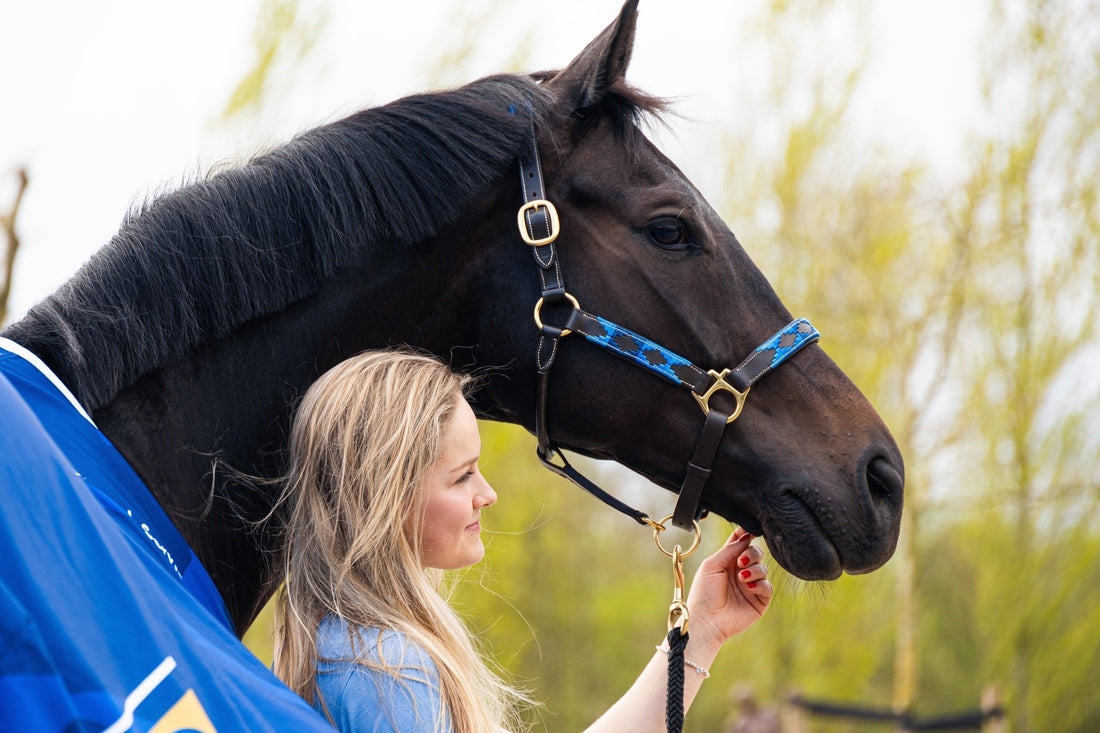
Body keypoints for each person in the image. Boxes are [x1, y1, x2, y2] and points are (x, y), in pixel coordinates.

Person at [271, 349, 773, 733]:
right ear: (383, 495)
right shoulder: (386, 669)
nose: (487, 494)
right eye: (462, 476)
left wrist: (700, 632)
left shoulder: (346, 649)